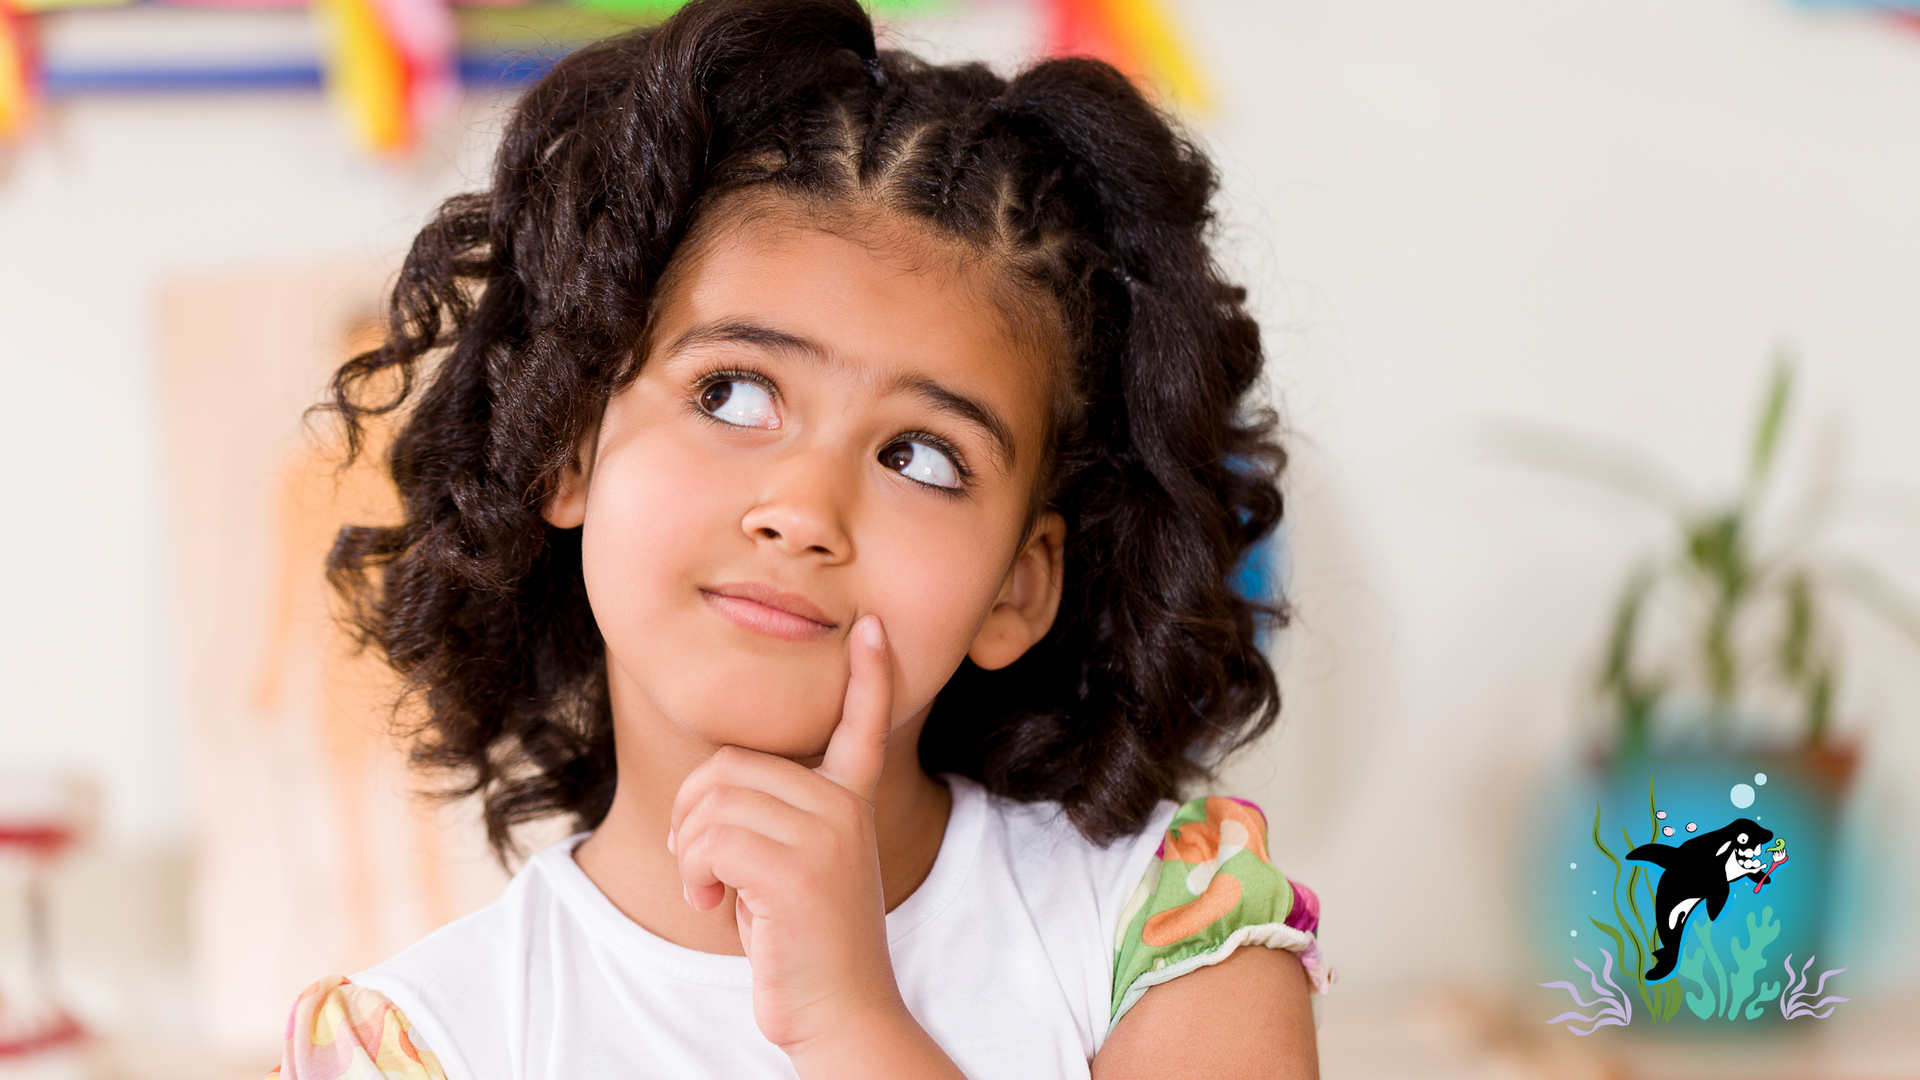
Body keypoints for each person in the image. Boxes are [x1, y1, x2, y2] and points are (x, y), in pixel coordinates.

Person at [270, 0, 1328, 1075]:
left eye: (920, 455)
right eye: (731, 393)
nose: (804, 512)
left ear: (1017, 584)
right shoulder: (417, 1047)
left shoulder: (1174, 933)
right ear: (567, 447)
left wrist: (853, 1026)